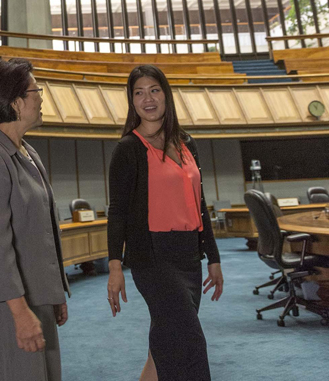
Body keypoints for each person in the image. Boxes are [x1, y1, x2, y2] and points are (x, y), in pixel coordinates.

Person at [106, 65, 224, 381]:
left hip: (189, 258)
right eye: (139, 92)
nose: (148, 98)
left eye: (154, 90)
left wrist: (213, 257)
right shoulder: (127, 149)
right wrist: (115, 267)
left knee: (166, 344)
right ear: (131, 101)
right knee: (189, 343)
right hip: (153, 259)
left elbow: (200, 204)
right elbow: (116, 211)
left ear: (166, 94)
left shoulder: (187, 143)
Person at [0, 58, 70, 381]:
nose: (42, 97)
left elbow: (42, 231)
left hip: (34, 298)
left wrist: (55, 294)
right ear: (15, 102)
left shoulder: (26, 153)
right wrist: (20, 313)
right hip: (5, 308)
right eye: (36, 90)